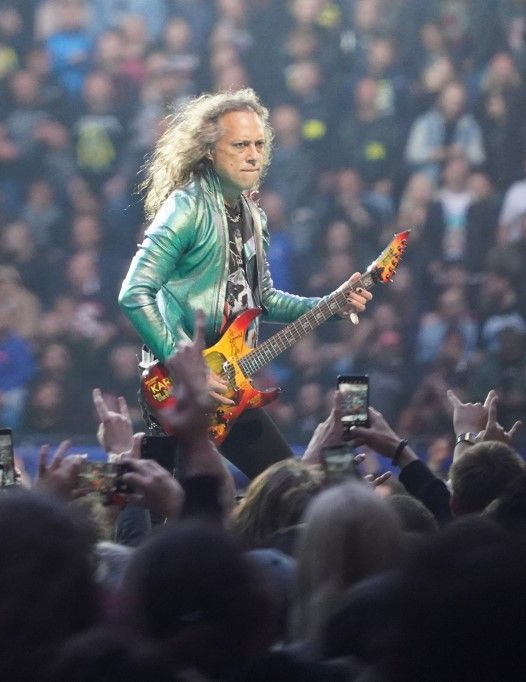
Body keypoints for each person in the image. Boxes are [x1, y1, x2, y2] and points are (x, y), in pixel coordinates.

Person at [118, 89, 371, 478]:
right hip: (179, 389)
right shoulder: (187, 207)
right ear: (208, 151)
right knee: (176, 515)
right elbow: (134, 292)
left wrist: (329, 305)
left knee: (286, 488)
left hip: (227, 386)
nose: (254, 155)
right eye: (239, 145)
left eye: (259, 144)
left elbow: (263, 298)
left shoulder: (254, 215)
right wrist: (185, 364)